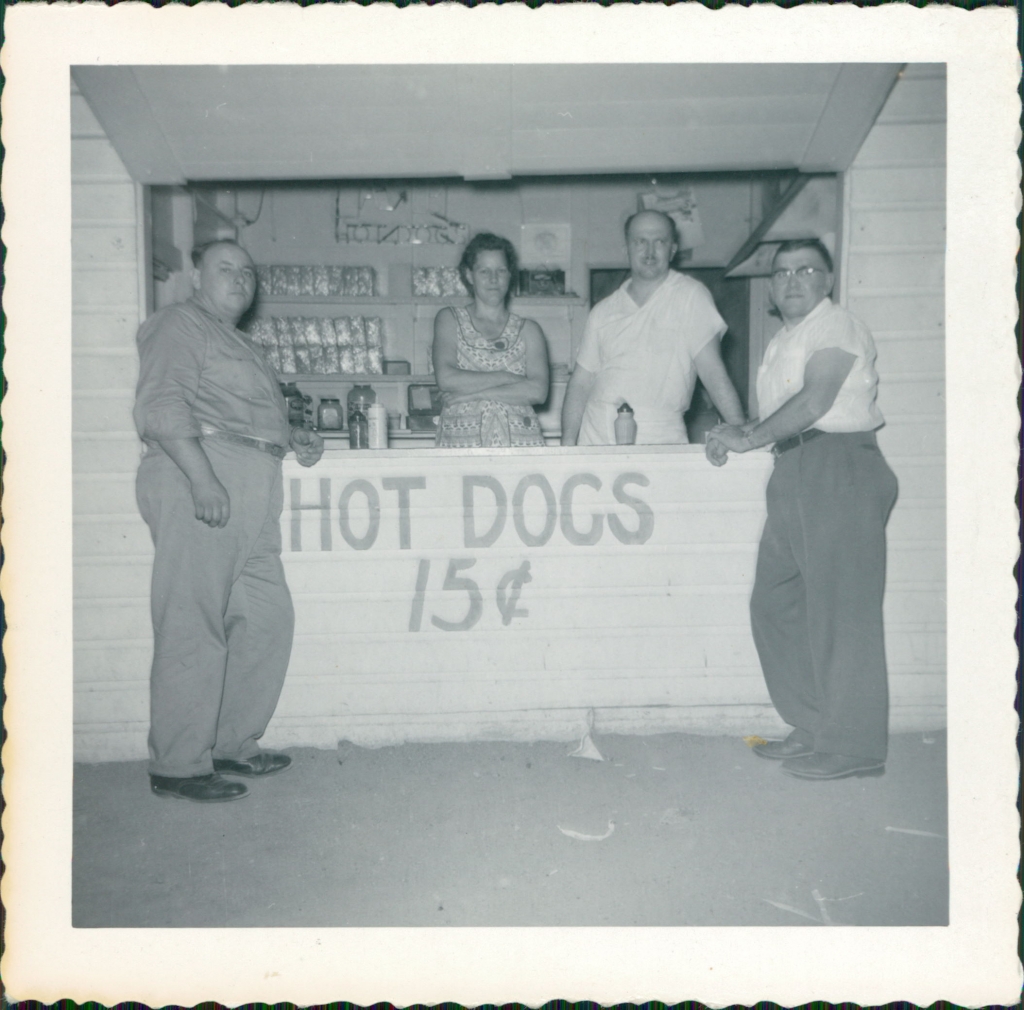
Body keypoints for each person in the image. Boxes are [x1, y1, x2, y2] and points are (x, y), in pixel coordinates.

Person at [133, 239, 324, 803]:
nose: (240, 279)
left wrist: (292, 438)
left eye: (247, 271)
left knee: (266, 619)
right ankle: (178, 765)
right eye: (225, 269)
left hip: (251, 484)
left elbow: (240, 415)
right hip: (203, 476)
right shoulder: (179, 325)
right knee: (193, 621)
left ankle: (229, 743)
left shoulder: (239, 342)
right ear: (196, 276)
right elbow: (162, 407)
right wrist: (202, 478)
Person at [706, 239, 898, 781]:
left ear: (828, 279)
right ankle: (816, 726)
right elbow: (785, 414)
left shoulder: (837, 326)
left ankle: (856, 746)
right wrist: (739, 433)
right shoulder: (784, 339)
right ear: (770, 286)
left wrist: (749, 439)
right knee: (775, 604)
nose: (792, 279)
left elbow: (816, 402)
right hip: (793, 469)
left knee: (843, 613)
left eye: (806, 269)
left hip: (839, 466)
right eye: (782, 272)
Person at [561, 209, 745, 445]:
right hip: (596, 434)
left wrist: (741, 432)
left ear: (673, 250)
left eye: (659, 241)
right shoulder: (603, 311)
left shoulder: (690, 296)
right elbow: (580, 384)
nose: (649, 251)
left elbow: (713, 372)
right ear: (626, 249)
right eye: (640, 242)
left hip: (660, 435)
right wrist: (566, 448)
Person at [433, 232, 550, 448]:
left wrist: (471, 394)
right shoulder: (449, 319)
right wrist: (509, 377)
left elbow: (538, 391)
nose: (493, 279)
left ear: (510, 275)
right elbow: (447, 378)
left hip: (520, 444)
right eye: (484, 271)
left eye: (501, 270)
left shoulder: (529, 330)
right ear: (469, 275)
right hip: (462, 444)